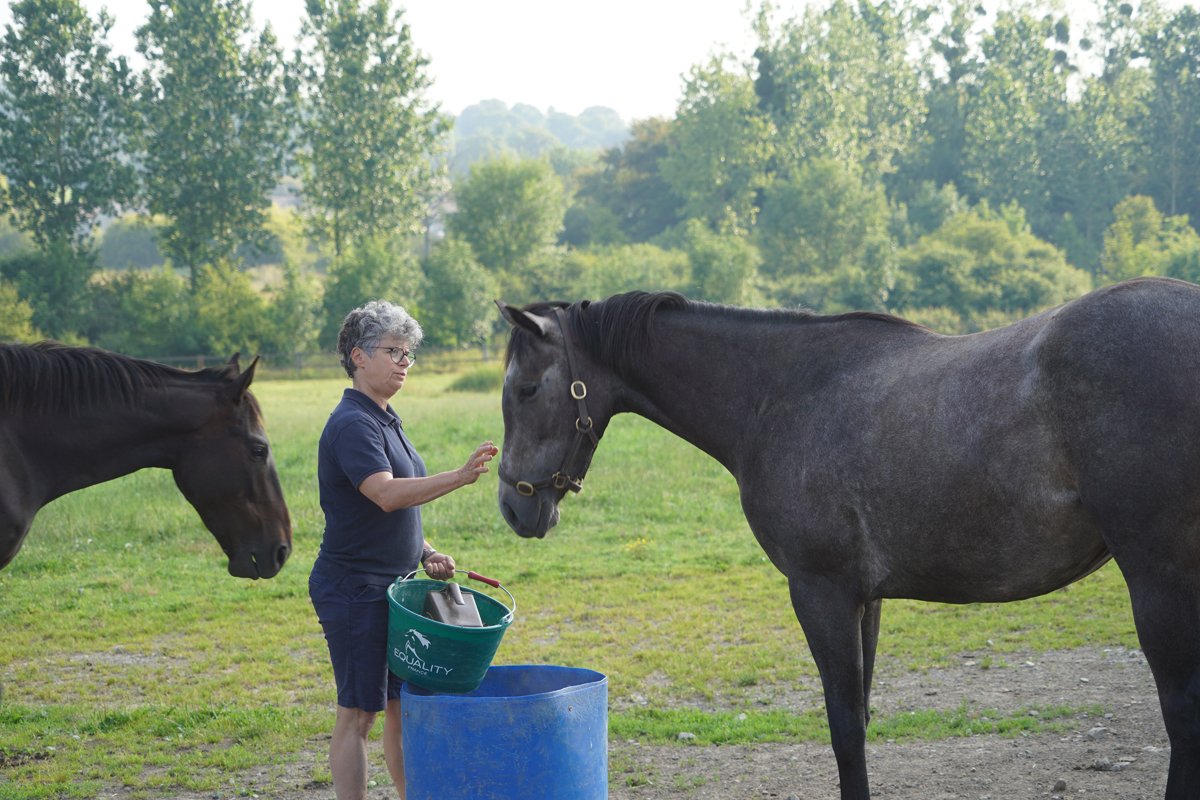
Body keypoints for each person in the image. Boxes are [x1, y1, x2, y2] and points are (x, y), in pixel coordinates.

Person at [309, 299, 498, 799]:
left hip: (395, 587)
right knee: (358, 713)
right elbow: (386, 494)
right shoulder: (353, 423)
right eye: (393, 351)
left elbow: (395, 512)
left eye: (408, 353)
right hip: (354, 588)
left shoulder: (386, 418)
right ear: (358, 356)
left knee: (400, 704)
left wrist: (425, 551)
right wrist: (459, 477)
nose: (403, 362)